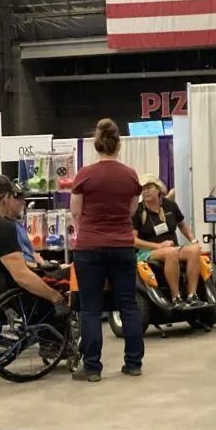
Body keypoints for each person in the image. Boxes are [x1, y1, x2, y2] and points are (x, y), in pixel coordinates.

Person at [70, 119, 143, 382]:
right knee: (128, 305)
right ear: (118, 143)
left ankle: (92, 368)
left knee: (90, 308)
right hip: (123, 245)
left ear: (96, 143)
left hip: (89, 247)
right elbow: (132, 211)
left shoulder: (85, 174)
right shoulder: (130, 175)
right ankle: (133, 363)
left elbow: (76, 212)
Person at [0, 175, 70, 307]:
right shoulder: (3, 226)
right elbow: (21, 276)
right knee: (58, 285)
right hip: (3, 287)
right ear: (6, 199)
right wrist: (54, 297)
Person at [133, 174, 203, 308]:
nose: (146, 191)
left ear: (158, 189)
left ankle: (192, 295)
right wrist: (158, 246)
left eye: (149, 187)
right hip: (146, 252)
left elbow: (182, 225)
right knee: (170, 253)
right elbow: (133, 240)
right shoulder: (138, 210)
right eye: (143, 188)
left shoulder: (170, 205)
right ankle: (176, 297)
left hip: (172, 248)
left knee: (195, 250)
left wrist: (193, 239)